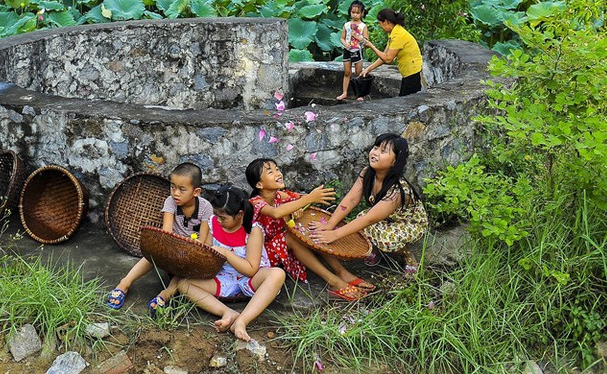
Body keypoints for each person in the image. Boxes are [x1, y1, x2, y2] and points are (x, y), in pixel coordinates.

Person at [152, 185, 286, 342]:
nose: (219, 220)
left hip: (250, 279)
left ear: (240, 215)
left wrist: (226, 254)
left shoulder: (253, 231)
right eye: (217, 215)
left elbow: (251, 269)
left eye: (224, 218)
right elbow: (207, 255)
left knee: (277, 274)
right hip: (222, 277)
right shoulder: (212, 223)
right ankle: (227, 312)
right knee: (184, 285)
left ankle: (242, 321)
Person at [246, 158, 372, 301]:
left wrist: (298, 207)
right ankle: (333, 281)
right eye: (270, 172)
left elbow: (299, 200)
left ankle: (341, 271)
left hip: (279, 247)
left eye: (277, 169)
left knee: (311, 229)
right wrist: (308, 200)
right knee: (291, 237)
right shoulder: (255, 202)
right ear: (259, 184)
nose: (278, 173)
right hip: (260, 255)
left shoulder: (280, 195)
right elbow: (277, 212)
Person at [311, 133, 428, 278]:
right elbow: (352, 199)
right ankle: (377, 249)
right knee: (360, 220)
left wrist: (334, 234)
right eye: (376, 147)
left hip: (408, 223)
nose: (375, 153)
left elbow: (370, 219)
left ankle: (407, 254)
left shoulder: (398, 191)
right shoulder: (367, 173)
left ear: (394, 162)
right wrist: (330, 224)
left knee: (386, 239)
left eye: (383, 151)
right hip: (385, 218)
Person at [105, 162, 212, 310]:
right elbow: (166, 231)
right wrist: (171, 248)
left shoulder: (206, 207)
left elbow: (202, 240)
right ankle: (124, 283)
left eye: (182, 189)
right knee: (151, 255)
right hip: (173, 245)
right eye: (172, 187)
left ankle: (165, 294)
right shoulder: (171, 202)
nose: (175, 193)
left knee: (190, 269)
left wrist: (190, 249)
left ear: (196, 192)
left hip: (193, 252)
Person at [359, 8, 423, 96]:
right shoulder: (393, 32)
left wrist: (371, 46)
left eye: (380, 24)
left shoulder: (398, 35)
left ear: (386, 22)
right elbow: (384, 57)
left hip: (412, 72)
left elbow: (388, 59)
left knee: (406, 102)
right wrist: (368, 69)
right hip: (407, 73)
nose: (380, 27)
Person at [337, 0, 369, 101]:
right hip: (347, 50)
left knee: (358, 72)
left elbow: (366, 41)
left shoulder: (363, 26)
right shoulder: (346, 25)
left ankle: (359, 94)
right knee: (347, 72)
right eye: (353, 12)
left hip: (357, 50)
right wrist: (345, 43)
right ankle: (344, 92)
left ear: (362, 13)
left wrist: (357, 37)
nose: (355, 15)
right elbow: (342, 37)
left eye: (357, 13)